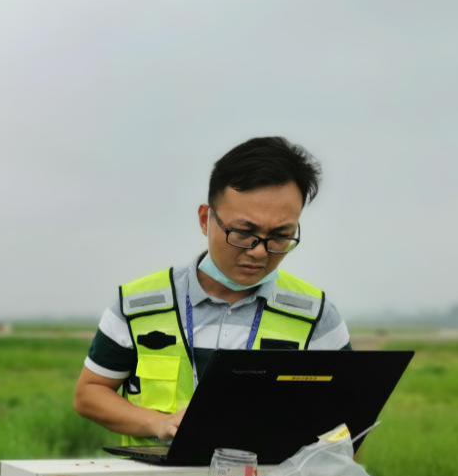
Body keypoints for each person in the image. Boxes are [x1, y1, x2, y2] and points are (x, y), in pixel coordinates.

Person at [73, 136, 351, 445]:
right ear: (206, 219)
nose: (259, 252)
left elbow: (348, 423)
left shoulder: (316, 315)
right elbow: (90, 393)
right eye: (244, 232)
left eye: (280, 236)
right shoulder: (138, 304)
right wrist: (158, 423)